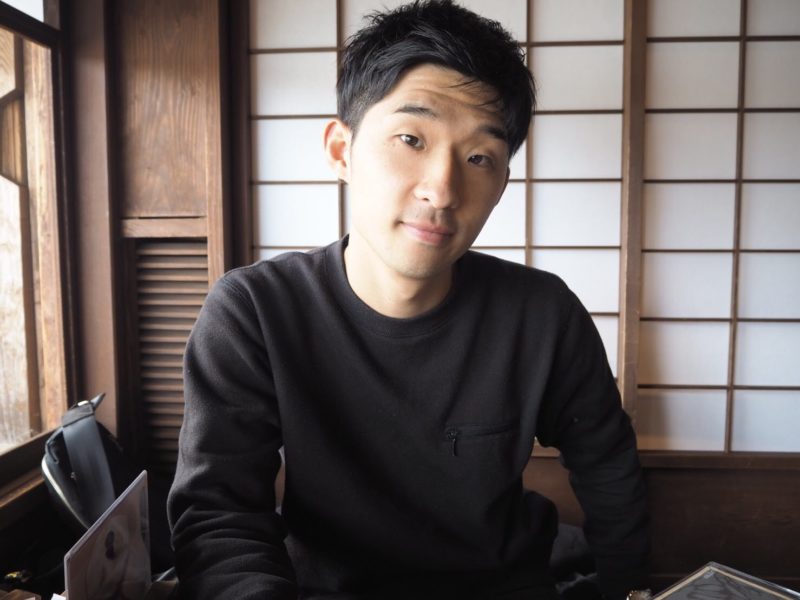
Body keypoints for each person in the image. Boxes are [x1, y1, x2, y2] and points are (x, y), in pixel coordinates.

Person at [167, 1, 650, 598]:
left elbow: (609, 467)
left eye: (479, 157)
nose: (442, 189)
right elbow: (219, 517)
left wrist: (625, 590)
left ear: (502, 183)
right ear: (341, 150)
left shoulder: (541, 315)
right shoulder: (256, 312)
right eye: (411, 139)